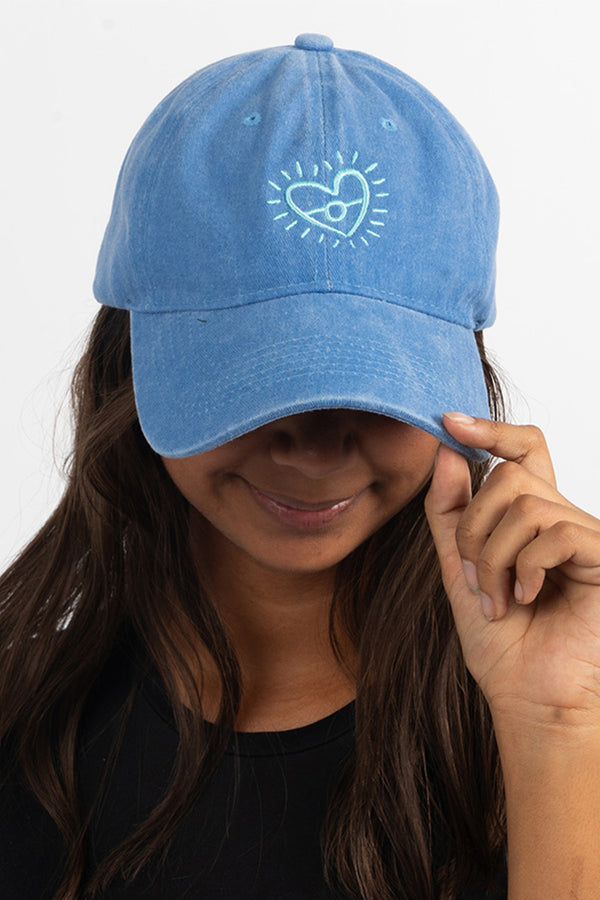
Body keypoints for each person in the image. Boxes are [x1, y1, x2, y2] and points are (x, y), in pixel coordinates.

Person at [1, 31, 599, 900]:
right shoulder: (21, 727)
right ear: (128, 361)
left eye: (372, 386)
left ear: (462, 378)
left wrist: (556, 731)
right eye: (257, 381)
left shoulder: (569, 710)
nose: (314, 446)